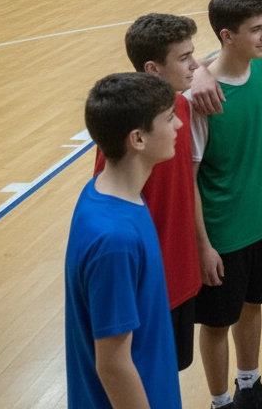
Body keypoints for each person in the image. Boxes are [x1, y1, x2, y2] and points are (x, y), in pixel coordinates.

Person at [189, 0, 262, 409]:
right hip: (223, 234)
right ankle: (220, 403)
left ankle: (248, 388)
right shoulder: (201, 99)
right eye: (255, 29)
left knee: (253, 305)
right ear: (226, 35)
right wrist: (202, 246)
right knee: (217, 323)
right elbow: (189, 181)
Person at [92, 15, 203, 373]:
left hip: (181, 271)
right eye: (185, 58)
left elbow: (187, 183)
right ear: (153, 69)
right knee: (146, 376)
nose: (195, 64)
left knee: (171, 371)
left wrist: (202, 247)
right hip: (148, 285)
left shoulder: (180, 107)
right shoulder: (129, 133)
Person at [66, 73, 182, 409]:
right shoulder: (114, 241)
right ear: (138, 139)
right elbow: (113, 364)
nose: (178, 125)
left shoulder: (108, 193)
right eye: (169, 118)